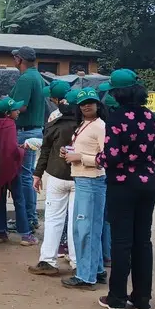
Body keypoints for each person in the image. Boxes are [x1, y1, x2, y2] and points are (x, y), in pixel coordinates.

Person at [96, 70, 155, 309]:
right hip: (147, 184)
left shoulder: (115, 119)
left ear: (117, 92)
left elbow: (112, 157)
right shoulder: (152, 117)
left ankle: (117, 298)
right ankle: (142, 298)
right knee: (143, 240)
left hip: (122, 185)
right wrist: (142, 164)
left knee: (121, 241)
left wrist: (98, 158)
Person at [60, 87, 107, 290]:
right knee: (89, 229)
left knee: (85, 230)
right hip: (83, 180)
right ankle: (96, 270)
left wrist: (80, 157)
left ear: (97, 104)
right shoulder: (84, 124)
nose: (86, 106)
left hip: (92, 181)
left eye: (90, 102)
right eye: (82, 103)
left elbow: (106, 158)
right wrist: (69, 152)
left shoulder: (100, 126)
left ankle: (86, 276)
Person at [29, 87, 78, 276]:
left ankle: (47, 260)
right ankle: (78, 263)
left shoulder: (55, 123)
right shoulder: (91, 125)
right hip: (81, 178)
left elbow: (45, 151)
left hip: (57, 176)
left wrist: (37, 174)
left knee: (53, 220)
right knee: (76, 222)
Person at [8, 46, 47, 236]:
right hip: (35, 130)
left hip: (25, 131)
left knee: (24, 177)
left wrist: (6, 104)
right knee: (28, 175)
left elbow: (21, 107)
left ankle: (27, 219)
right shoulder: (37, 76)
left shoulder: (26, 78)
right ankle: (30, 218)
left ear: (19, 59)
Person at [0, 96, 25, 244]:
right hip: (11, 168)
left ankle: (0, 231)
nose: (18, 111)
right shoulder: (10, 125)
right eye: (15, 109)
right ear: (7, 113)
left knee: (0, 198)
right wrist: (22, 150)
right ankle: (25, 234)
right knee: (19, 199)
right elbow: (12, 149)